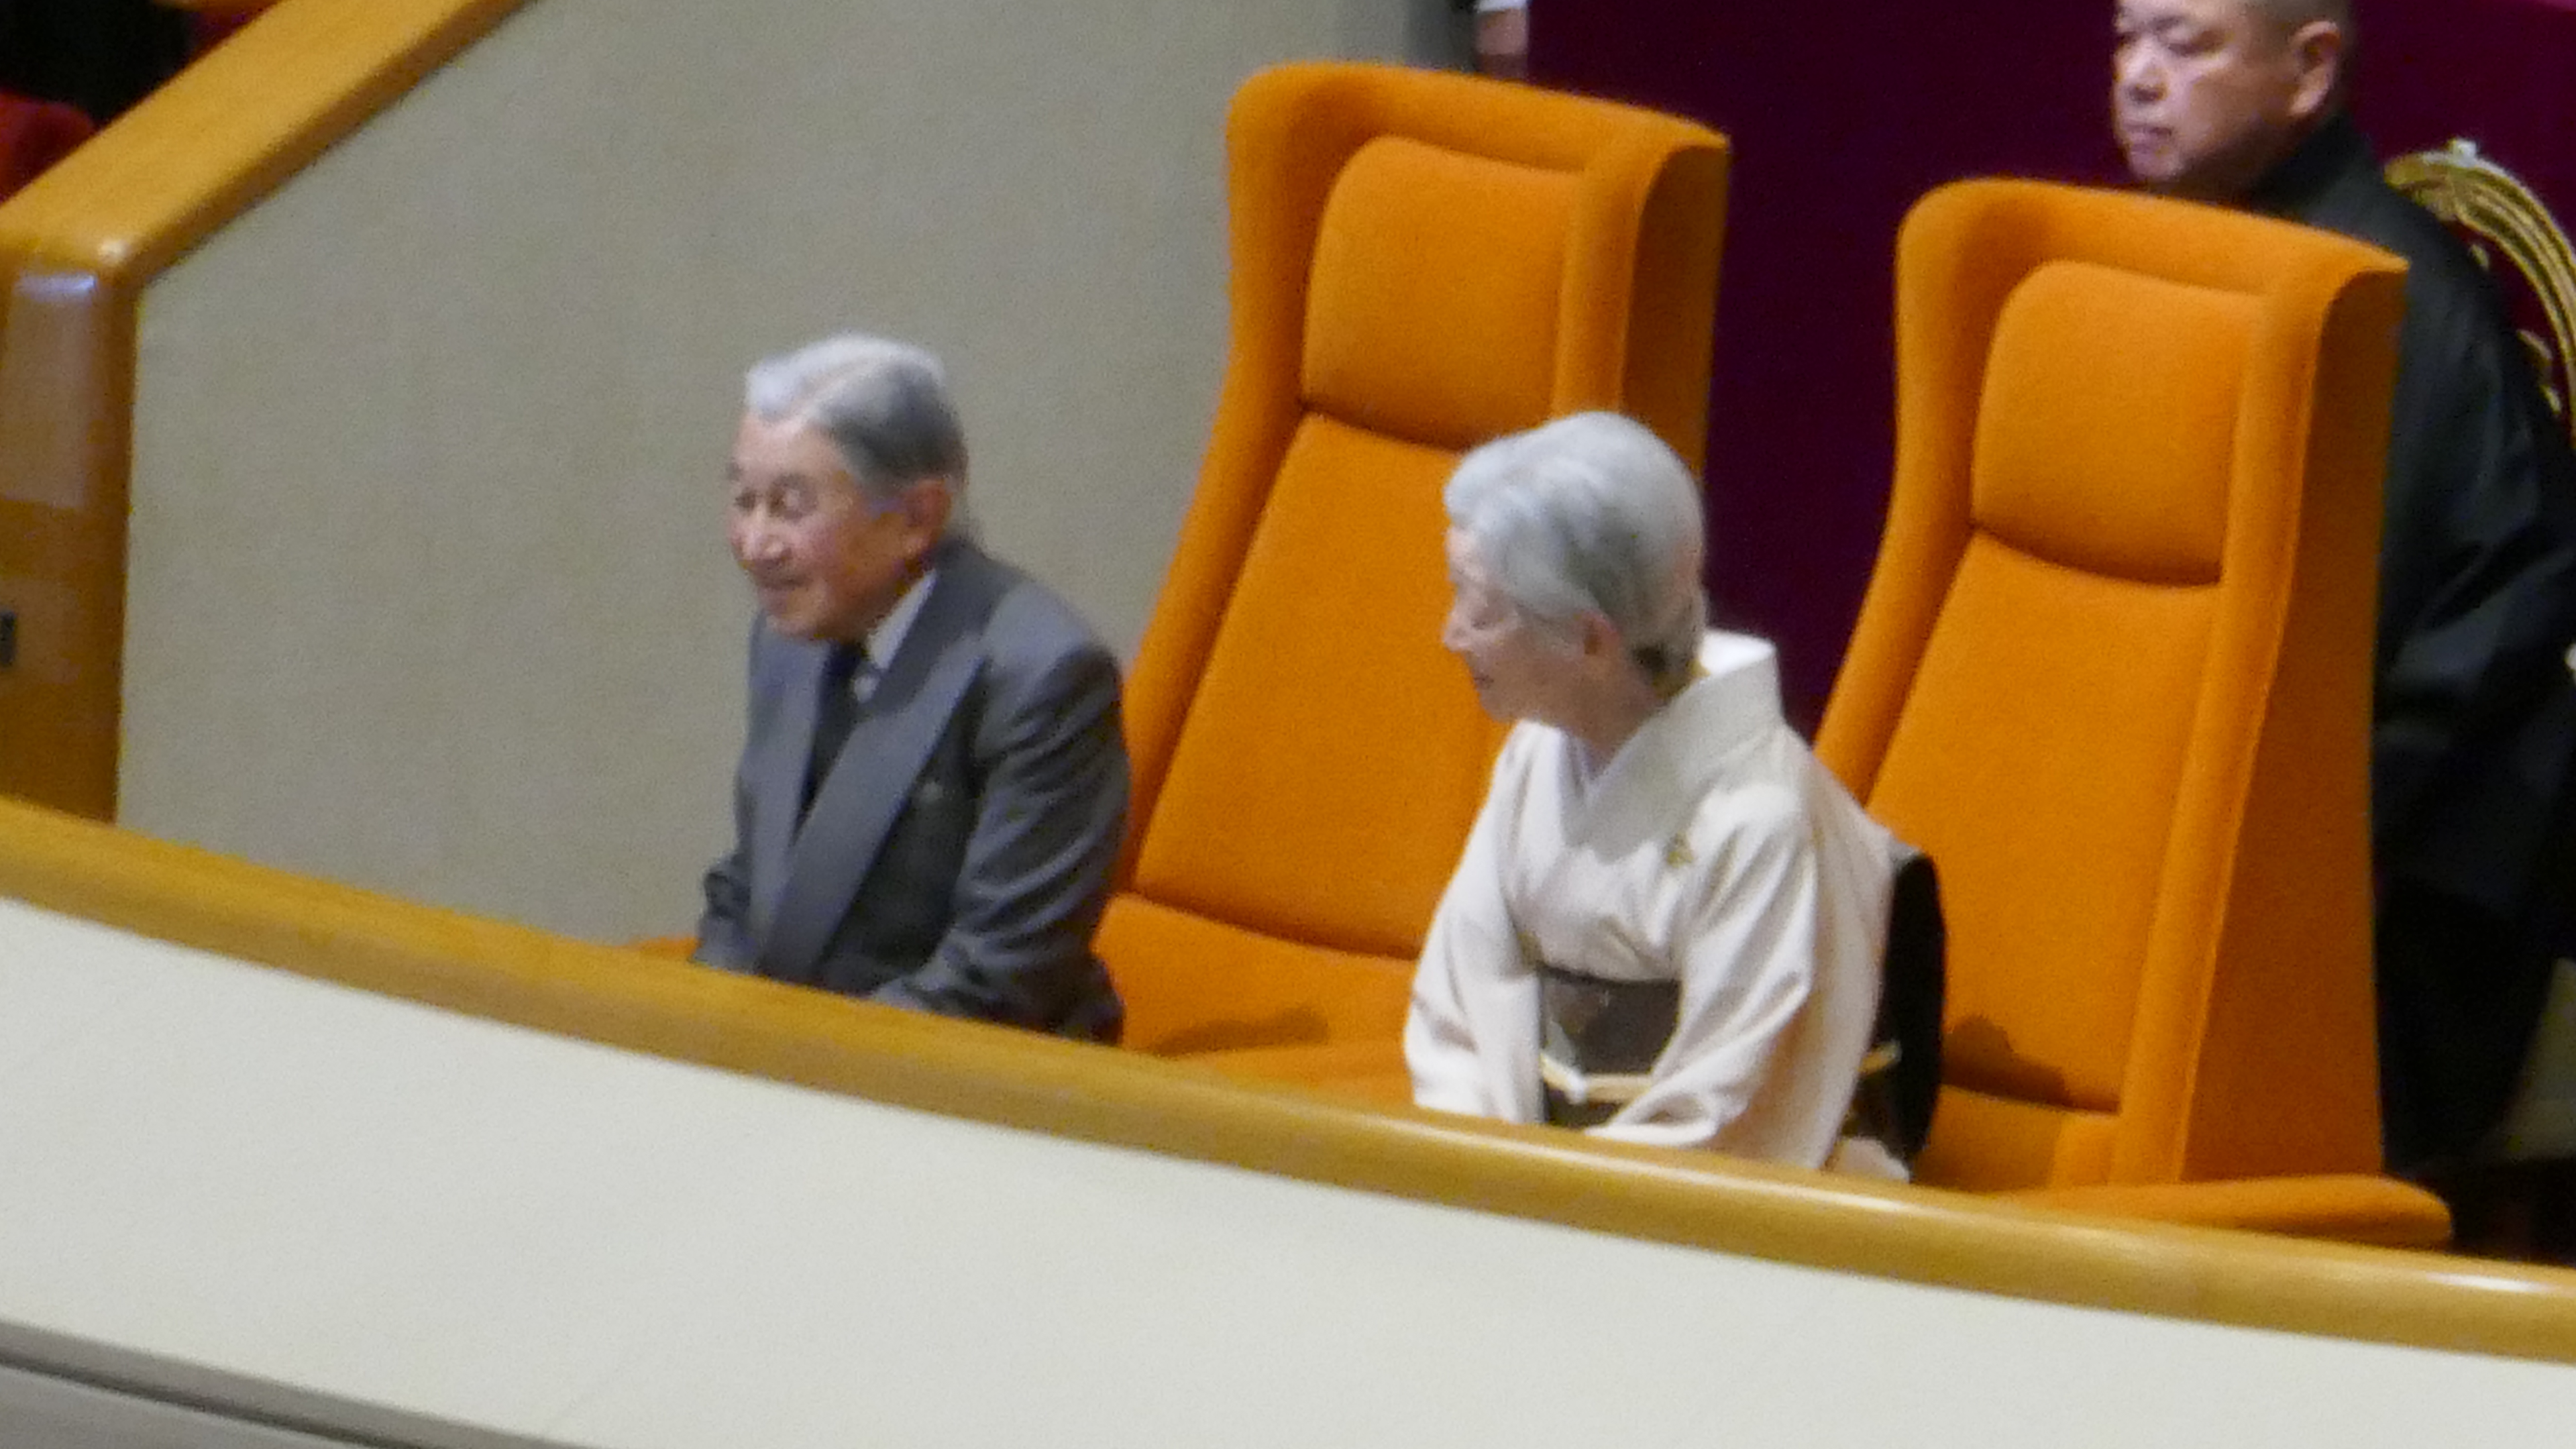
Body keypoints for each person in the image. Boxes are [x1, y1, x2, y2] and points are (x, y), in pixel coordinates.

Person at [2114, 0, 2576, 1170]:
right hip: (2214, 829)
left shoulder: (2383, 306)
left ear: (2310, 71)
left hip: (2401, 883)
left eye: (2186, 44)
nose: (2139, 77)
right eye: (2126, 37)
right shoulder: (2174, 253)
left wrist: (2290, 850)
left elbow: (2442, 657)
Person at [1405, 412, 1921, 1175]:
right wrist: (1481, 1167)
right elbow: (1463, 1000)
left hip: (1706, 1207)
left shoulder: (1758, 814)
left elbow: (1728, 1111)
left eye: (1482, 609)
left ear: (1590, 639)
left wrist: (1540, 1193)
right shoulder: (1537, 752)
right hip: (1535, 1183)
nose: (1452, 634)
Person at [694, 333, 1128, 1042]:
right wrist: (697, 1029)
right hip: (796, 1054)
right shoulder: (788, 634)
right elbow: (749, 890)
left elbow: (998, 976)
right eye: (745, 499)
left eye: (791, 506)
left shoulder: (1043, 676)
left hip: (961, 1074)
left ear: (916, 518)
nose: (755, 544)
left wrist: (791, 1064)